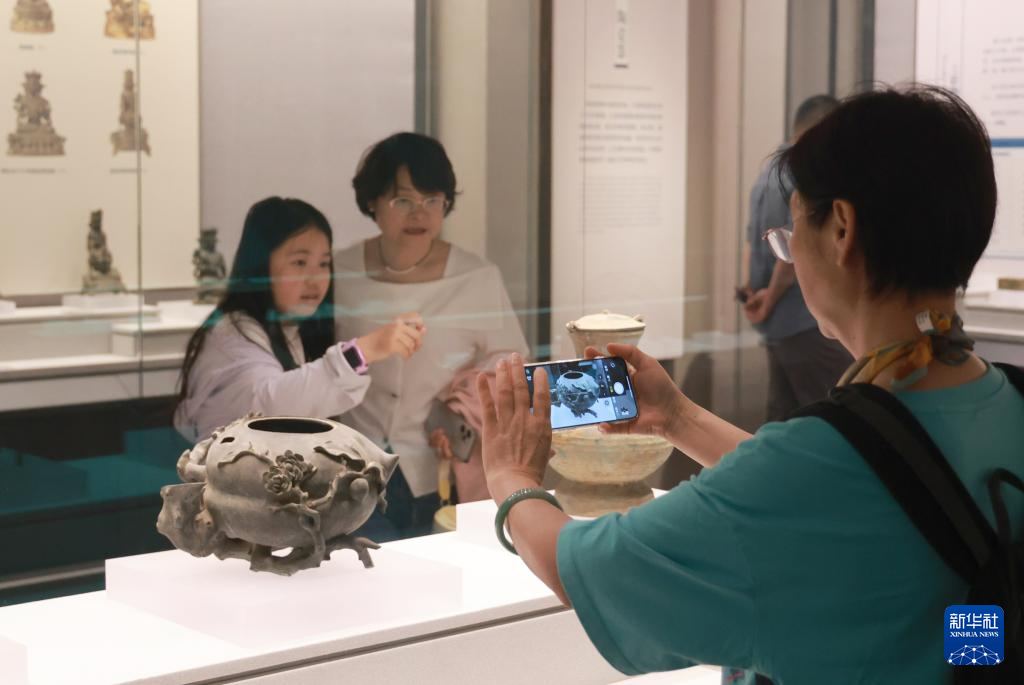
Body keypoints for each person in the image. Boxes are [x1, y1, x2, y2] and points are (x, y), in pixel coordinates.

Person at [476, 86, 1023, 683]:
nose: (790, 255)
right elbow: (856, 483)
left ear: (841, 229)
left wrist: (511, 477)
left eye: (790, 234)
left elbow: (588, 570)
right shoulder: (1006, 404)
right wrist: (678, 418)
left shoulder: (815, 462)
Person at [335, 132, 529, 538]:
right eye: (402, 200)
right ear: (372, 202)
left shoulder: (477, 277)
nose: (418, 214)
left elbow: (509, 364)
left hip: (434, 468)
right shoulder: (340, 271)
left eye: (432, 200)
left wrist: (459, 412)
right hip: (347, 467)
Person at [174, 196, 424, 442]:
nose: (315, 278)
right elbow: (270, 407)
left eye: (323, 264)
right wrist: (363, 351)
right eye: (300, 262)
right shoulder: (232, 333)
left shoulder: (289, 326)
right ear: (261, 265)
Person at [741, 94, 851, 422]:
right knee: (832, 418)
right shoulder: (805, 174)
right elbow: (791, 251)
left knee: (783, 418)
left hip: (776, 322)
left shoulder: (769, 171)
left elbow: (752, 241)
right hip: (802, 318)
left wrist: (755, 295)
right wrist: (771, 299)